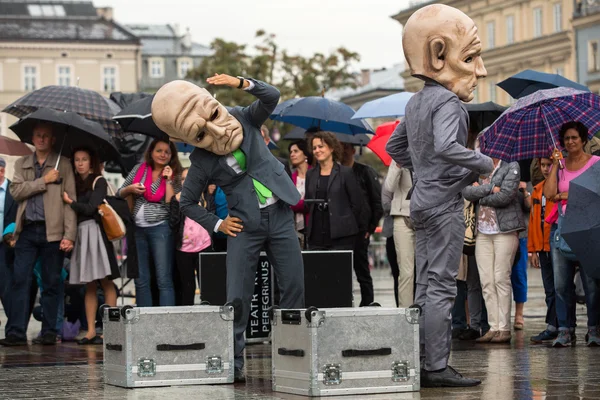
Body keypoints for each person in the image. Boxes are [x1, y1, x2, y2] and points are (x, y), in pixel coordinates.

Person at [152, 74, 305, 383]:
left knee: (294, 286)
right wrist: (219, 224)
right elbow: (187, 202)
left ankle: (293, 357)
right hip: (243, 227)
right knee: (237, 296)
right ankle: (233, 364)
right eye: (199, 133)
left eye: (212, 115)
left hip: (279, 215)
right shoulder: (202, 162)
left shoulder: (243, 117)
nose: (216, 131)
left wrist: (241, 82)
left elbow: (272, 96)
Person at [386, 4, 493, 387]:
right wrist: (481, 162)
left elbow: (397, 149)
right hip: (443, 203)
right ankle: (435, 366)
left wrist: (424, 167)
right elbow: (449, 145)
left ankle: (418, 359)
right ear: (438, 55)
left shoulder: (415, 102)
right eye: (471, 57)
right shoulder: (447, 101)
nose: (479, 70)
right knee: (443, 284)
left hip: (420, 202)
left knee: (423, 284)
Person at [1, 123, 77, 346]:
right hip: (27, 230)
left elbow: (70, 201)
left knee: (52, 282)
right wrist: (43, 180)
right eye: (38, 136)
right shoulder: (22, 163)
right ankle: (15, 331)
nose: (41, 139)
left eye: (46, 136)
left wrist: (69, 235)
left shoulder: (63, 164)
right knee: (19, 280)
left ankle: (50, 332)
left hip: (53, 231)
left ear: (52, 139)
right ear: (32, 139)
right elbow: (16, 191)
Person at [543, 121, 600, 347]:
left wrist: (566, 196)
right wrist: (556, 166)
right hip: (562, 228)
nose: (570, 142)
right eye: (566, 138)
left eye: (574, 137)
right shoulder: (561, 165)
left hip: (589, 228)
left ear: (584, 140)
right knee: (561, 283)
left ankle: (594, 328)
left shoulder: (596, 163)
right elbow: (549, 194)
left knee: (592, 284)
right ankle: (566, 329)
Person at [463, 158, 524, 344]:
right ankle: (493, 327)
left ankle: (504, 328)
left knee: (501, 278)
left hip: (504, 230)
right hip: (481, 232)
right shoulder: (477, 167)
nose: (484, 150)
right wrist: (490, 189)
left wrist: (479, 193)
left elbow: (505, 196)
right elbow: (466, 191)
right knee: (486, 281)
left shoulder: (511, 166)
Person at [62, 148, 119, 344]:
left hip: (97, 234)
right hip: (80, 234)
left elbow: (90, 208)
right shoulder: (72, 183)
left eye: (84, 159)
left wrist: (71, 203)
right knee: (90, 285)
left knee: (106, 280)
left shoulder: (99, 181)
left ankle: (110, 329)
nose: (80, 163)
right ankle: (91, 330)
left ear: (91, 162)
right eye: (77, 160)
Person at [117, 139, 182, 307]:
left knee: (163, 279)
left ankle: (166, 323)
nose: (162, 154)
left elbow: (170, 204)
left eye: (167, 152)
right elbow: (119, 192)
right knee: (141, 279)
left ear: (171, 156)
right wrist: (130, 189)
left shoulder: (174, 174)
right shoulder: (139, 169)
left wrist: (168, 180)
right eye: (159, 150)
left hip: (160, 229)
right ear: (151, 152)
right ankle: (143, 323)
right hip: (138, 229)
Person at [305, 132, 364, 251]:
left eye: (321, 146)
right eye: (314, 148)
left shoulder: (346, 173)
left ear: (331, 148)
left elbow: (357, 204)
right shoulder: (310, 174)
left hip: (341, 236)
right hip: (316, 235)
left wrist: (345, 222)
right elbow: (308, 202)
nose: (317, 150)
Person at [341, 142, 383, 306]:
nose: (343, 151)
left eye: (346, 148)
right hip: (342, 231)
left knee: (362, 271)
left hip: (361, 231)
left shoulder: (365, 172)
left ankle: (367, 303)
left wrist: (370, 227)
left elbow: (376, 201)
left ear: (353, 150)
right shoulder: (337, 172)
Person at [529, 156, 560, 344]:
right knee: (549, 289)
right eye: (543, 165)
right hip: (541, 246)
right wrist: (532, 250)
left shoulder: (559, 187)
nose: (546, 169)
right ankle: (552, 325)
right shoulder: (537, 190)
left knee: (561, 287)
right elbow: (533, 222)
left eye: (549, 165)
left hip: (555, 243)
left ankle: (563, 325)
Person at [169, 168, 212, 305]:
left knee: (207, 286)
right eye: (183, 178)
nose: (186, 181)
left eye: (190, 177)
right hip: (184, 249)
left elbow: (213, 218)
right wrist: (179, 203)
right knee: (187, 287)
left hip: (204, 246)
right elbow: (173, 223)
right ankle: (187, 316)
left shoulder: (204, 196)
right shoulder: (176, 199)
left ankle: (208, 316)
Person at [382, 162, 415, 308]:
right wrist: (398, 163)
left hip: (426, 217)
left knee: (426, 272)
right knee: (406, 273)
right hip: (402, 217)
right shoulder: (399, 156)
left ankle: (426, 317)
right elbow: (389, 187)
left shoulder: (426, 151)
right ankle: (406, 316)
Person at [0, 157, 17, 326]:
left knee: (6, 286)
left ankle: (13, 326)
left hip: (5, 247)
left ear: (2, 170)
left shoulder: (13, 192)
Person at [289, 140, 312, 248]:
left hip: (312, 226)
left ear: (305, 154)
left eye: (296, 151)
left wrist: (295, 204)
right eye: (290, 152)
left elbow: (312, 202)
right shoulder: (290, 177)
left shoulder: (315, 174)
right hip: (294, 227)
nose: (292, 154)